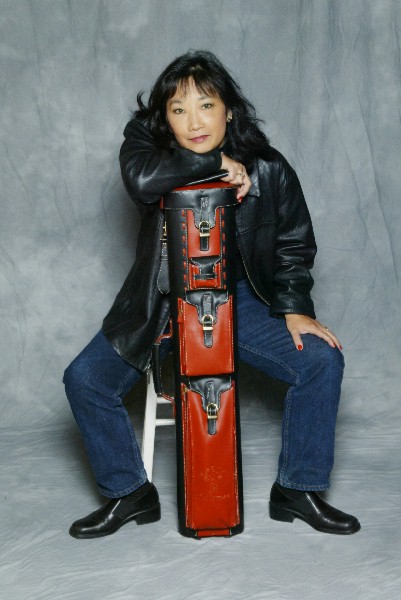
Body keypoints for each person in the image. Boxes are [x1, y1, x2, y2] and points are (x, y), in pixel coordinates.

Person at [64, 50, 360, 539]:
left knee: (322, 361)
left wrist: (294, 309)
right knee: (85, 380)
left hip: (242, 301)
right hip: (160, 302)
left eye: (206, 105)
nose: (194, 122)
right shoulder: (148, 153)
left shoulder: (269, 168)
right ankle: (129, 493)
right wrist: (215, 162)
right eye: (178, 110)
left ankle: (298, 489)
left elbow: (293, 245)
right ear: (165, 120)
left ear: (229, 110)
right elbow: (141, 180)